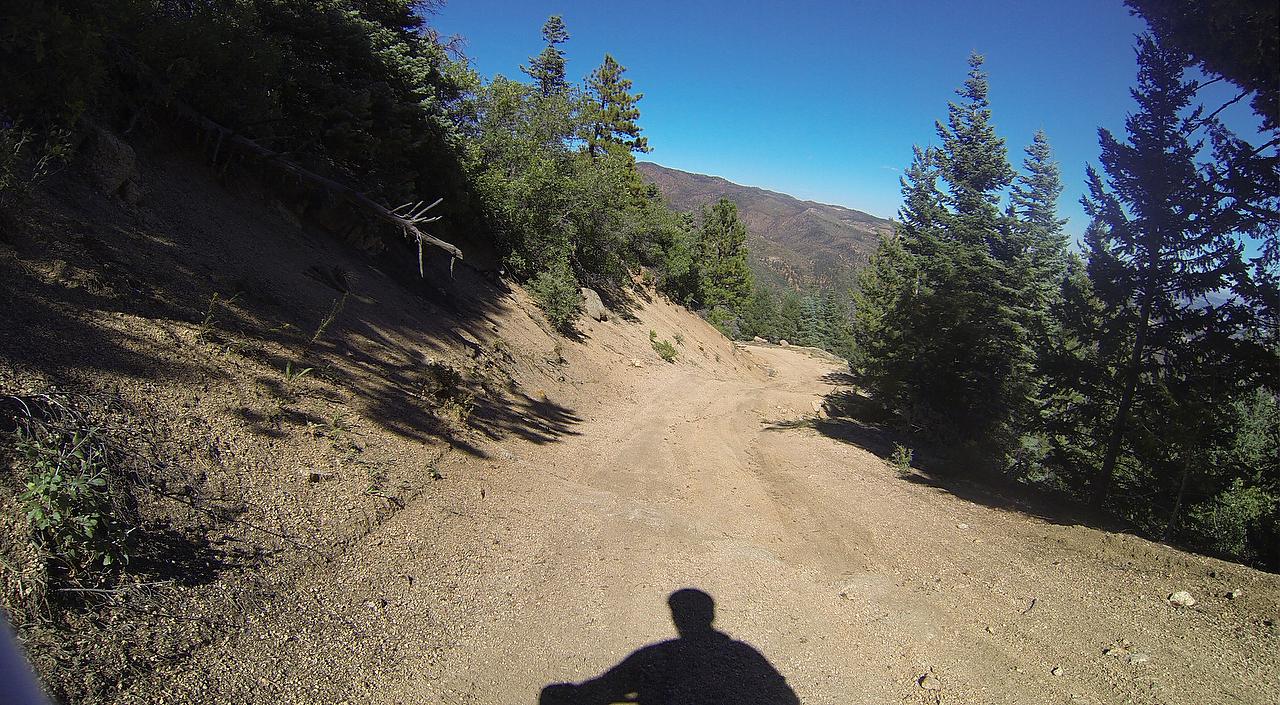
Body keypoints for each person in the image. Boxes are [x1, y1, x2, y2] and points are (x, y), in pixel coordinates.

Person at [540, 588, 799, 705]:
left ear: (676, 617)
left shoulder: (657, 656)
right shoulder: (744, 656)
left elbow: (603, 689)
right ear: (710, 616)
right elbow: (787, 699)